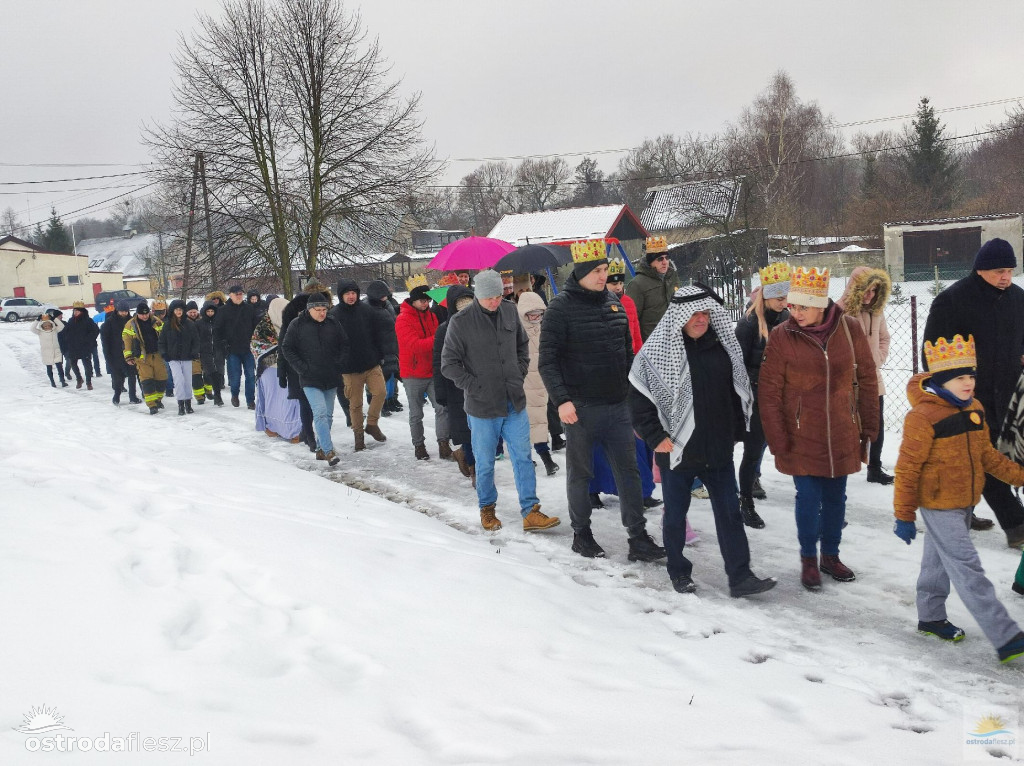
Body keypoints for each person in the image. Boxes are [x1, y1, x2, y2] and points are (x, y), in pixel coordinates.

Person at [630, 284, 776, 597]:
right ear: (678, 316)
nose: (702, 319)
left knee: (730, 514)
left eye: (706, 313)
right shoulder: (657, 352)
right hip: (678, 451)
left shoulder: (723, 347)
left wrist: (739, 430)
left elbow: (736, 394)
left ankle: (740, 577)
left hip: (718, 449)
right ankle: (679, 571)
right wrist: (656, 437)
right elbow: (639, 402)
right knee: (676, 515)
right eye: (694, 313)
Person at [893, 334, 1024, 664]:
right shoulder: (922, 418)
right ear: (940, 381)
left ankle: (931, 616)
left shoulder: (974, 409)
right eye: (959, 378)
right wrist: (904, 514)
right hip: (938, 504)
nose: (968, 384)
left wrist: (1020, 475)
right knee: (968, 569)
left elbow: (987, 456)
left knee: (937, 561)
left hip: (965, 499)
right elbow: (907, 469)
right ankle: (1006, 636)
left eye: (971, 376)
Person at [539, 239, 666, 562]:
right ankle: (582, 534)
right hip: (580, 408)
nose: (602, 276)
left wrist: (633, 396)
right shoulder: (560, 308)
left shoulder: (614, 304)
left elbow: (627, 355)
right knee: (581, 474)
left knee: (630, 472)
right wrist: (562, 401)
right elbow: (548, 361)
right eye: (597, 271)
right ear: (580, 272)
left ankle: (638, 537)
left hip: (617, 405)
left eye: (605, 270)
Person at [759, 266, 879, 590]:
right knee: (808, 498)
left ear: (821, 304)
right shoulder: (783, 337)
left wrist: (869, 425)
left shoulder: (849, 328)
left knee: (837, 498)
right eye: (792, 306)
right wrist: (778, 439)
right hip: (801, 434)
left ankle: (831, 555)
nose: (793, 312)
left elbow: (867, 377)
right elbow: (768, 393)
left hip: (841, 429)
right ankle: (809, 559)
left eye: (802, 306)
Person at [442, 270, 560, 533]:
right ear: (477, 296)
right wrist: (475, 386)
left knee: (522, 456)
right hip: (482, 407)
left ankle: (531, 511)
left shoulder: (509, 311)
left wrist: (519, 370)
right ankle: (487, 509)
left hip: (514, 401)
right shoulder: (461, 322)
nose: (494, 302)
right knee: (485, 462)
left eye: (498, 296)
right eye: (488, 298)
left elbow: (522, 345)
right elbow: (448, 364)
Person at [925, 238, 1024, 546]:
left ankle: (963, 509)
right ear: (980, 269)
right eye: (999, 271)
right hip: (969, 397)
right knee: (983, 458)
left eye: (1009, 270)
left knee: (1000, 460)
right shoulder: (952, 300)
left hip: (1011, 399)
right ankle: (1016, 524)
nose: (1005, 277)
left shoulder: (1018, 299)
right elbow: (931, 353)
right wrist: (944, 394)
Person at [590, 258, 663, 511]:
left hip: (631, 373)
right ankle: (593, 488)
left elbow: (636, 335)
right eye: (612, 282)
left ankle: (641, 489)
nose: (617, 287)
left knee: (638, 434)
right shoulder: (592, 308)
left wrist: (640, 366)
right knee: (600, 440)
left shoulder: (629, 303)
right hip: (602, 382)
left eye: (620, 282)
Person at [735, 264, 791, 528]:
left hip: (781, 395)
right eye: (780, 297)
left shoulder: (787, 318)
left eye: (786, 297)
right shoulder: (748, 324)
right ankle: (745, 501)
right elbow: (737, 364)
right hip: (755, 398)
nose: (784, 302)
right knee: (753, 451)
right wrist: (758, 383)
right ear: (766, 296)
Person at [839, 266, 894, 485]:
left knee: (875, 423)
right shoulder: (839, 312)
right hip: (847, 380)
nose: (869, 295)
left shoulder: (877, 311)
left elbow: (884, 339)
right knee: (846, 425)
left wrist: (875, 361)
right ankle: (841, 466)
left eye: (874, 290)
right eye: (865, 290)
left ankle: (874, 467)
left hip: (873, 378)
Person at [280, 292, 348, 467]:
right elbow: (287, 348)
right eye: (318, 309)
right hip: (310, 378)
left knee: (328, 415)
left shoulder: (333, 323)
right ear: (309, 310)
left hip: (331, 376)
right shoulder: (297, 325)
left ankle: (319, 448)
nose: (322, 313)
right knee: (319, 412)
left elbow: (344, 345)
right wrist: (302, 368)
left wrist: (338, 363)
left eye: (324, 309)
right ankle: (328, 451)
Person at [330, 280, 390, 451]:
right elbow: (332, 343)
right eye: (347, 293)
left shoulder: (367, 310)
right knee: (355, 405)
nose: (351, 296)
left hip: (371, 363)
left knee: (380, 392)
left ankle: (371, 424)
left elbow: (377, 334)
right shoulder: (334, 315)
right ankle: (359, 435)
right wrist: (338, 362)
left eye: (354, 293)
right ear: (341, 295)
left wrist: (380, 355)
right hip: (349, 369)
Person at [396, 276, 450, 460]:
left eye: (427, 300)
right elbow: (414, 345)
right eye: (422, 300)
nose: (426, 304)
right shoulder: (403, 319)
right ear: (413, 300)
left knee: (442, 407)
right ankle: (419, 445)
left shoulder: (432, 316)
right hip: (412, 373)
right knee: (416, 413)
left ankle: (443, 443)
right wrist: (438, 339)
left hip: (432, 371)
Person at [434, 285, 477, 483]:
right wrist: (440, 391)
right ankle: (475, 468)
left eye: (469, 303)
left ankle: (467, 456)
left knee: (481, 430)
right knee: (465, 429)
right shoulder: (444, 329)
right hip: (455, 387)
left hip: (478, 384)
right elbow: (438, 362)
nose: (465, 309)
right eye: (460, 305)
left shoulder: (481, 323)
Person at [516, 290, 559, 476]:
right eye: (530, 313)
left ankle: (541, 457)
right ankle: (539, 458)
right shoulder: (516, 331)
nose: (535, 317)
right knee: (529, 423)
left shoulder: (546, 329)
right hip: (524, 384)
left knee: (540, 421)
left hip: (543, 383)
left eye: (538, 313)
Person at [252, 297, 301, 441]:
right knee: (275, 401)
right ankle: (272, 426)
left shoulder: (294, 324)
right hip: (270, 371)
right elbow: (257, 347)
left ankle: (293, 430)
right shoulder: (263, 328)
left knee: (291, 400)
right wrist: (281, 353)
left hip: (290, 369)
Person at [625, 235, 679, 342]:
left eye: (667, 258)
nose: (664, 262)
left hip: (675, 341)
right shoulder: (637, 285)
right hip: (651, 345)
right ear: (650, 262)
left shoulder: (672, 278)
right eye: (660, 259)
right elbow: (631, 321)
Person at [215, 284, 259, 409]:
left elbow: (256, 327)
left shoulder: (249, 309)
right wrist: (222, 345)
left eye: (241, 294)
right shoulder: (223, 310)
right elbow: (217, 330)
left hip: (248, 348)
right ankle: (234, 394)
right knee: (235, 376)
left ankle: (250, 400)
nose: (239, 296)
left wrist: (255, 342)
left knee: (250, 375)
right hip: (232, 349)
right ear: (231, 295)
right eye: (237, 294)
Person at [364, 280, 402, 416]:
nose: (387, 297)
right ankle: (378, 402)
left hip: (390, 342)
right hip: (376, 346)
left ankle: (390, 399)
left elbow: (392, 319)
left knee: (391, 373)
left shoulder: (387, 304)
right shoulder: (367, 307)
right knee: (377, 377)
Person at [122, 302, 168, 414]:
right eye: (142, 314)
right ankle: (152, 405)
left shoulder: (156, 321)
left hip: (157, 354)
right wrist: (128, 356)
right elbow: (126, 341)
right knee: (147, 380)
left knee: (162, 379)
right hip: (142, 357)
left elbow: (166, 335)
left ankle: (158, 399)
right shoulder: (130, 324)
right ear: (137, 313)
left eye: (146, 314)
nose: (145, 316)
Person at [158, 299, 201, 416]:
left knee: (187, 380)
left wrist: (194, 352)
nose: (178, 312)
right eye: (176, 310)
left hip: (187, 357)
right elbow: (161, 342)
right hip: (173, 358)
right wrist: (164, 353)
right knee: (178, 380)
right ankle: (180, 404)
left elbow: (196, 340)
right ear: (173, 311)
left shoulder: (189, 324)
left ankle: (188, 403)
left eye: (180, 310)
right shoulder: (167, 325)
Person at [101, 300, 139, 405]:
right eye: (121, 311)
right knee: (118, 377)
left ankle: (133, 396)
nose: (123, 313)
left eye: (125, 311)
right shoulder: (109, 322)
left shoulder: (132, 322)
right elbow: (105, 341)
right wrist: (108, 356)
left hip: (129, 353)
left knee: (132, 375)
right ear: (117, 311)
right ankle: (116, 395)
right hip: (115, 354)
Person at [62, 301, 100, 390]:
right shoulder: (71, 321)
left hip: (84, 346)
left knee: (87, 364)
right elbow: (66, 332)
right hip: (73, 346)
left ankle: (88, 382)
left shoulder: (88, 320)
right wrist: (68, 340)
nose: (75, 312)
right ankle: (79, 379)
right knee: (73, 363)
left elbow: (95, 331)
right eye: (74, 311)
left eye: (77, 311)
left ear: (82, 312)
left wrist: (88, 340)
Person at [197, 301, 222, 405]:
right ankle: (217, 396)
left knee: (219, 373)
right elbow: (196, 338)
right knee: (212, 373)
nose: (210, 313)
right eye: (208, 311)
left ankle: (216, 394)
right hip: (205, 351)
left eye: (212, 311)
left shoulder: (219, 322)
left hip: (218, 351)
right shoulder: (199, 323)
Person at [31, 313, 66, 388]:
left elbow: (62, 326)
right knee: (49, 368)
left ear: (51, 325)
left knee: (59, 367)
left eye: (49, 326)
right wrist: (37, 320)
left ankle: (63, 381)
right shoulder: (40, 332)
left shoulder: (54, 330)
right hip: (46, 352)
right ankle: (52, 382)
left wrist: (54, 319)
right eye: (45, 326)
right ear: (42, 327)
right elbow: (32, 329)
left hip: (56, 351)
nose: (47, 327)